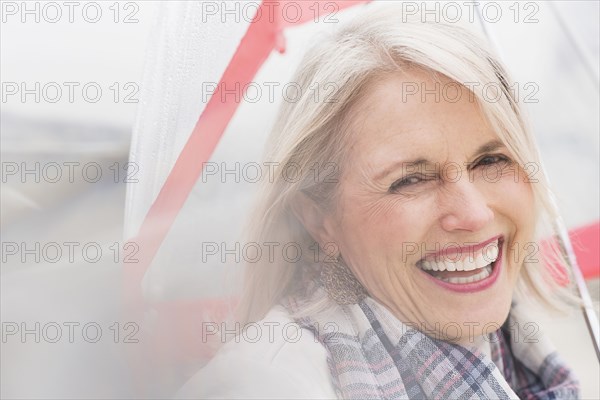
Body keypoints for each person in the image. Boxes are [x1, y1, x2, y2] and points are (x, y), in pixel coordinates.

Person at [177, 4, 581, 399]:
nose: (474, 214)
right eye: (410, 180)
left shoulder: (520, 354)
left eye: (491, 159)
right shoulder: (261, 384)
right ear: (319, 219)